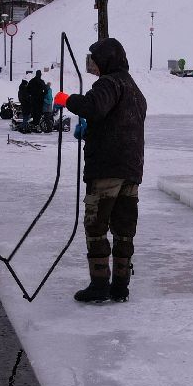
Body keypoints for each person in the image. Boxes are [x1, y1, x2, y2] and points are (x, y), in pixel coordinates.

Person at [56, 38, 147, 303]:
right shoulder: (134, 89)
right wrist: (95, 133)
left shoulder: (110, 83)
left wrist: (66, 99)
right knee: (124, 228)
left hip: (107, 169)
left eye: (95, 60)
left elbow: (93, 107)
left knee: (96, 226)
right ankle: (120, 285)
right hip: (131, 170)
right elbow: (118, 123)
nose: (93, 66)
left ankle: (99, 284)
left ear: (107, 60)